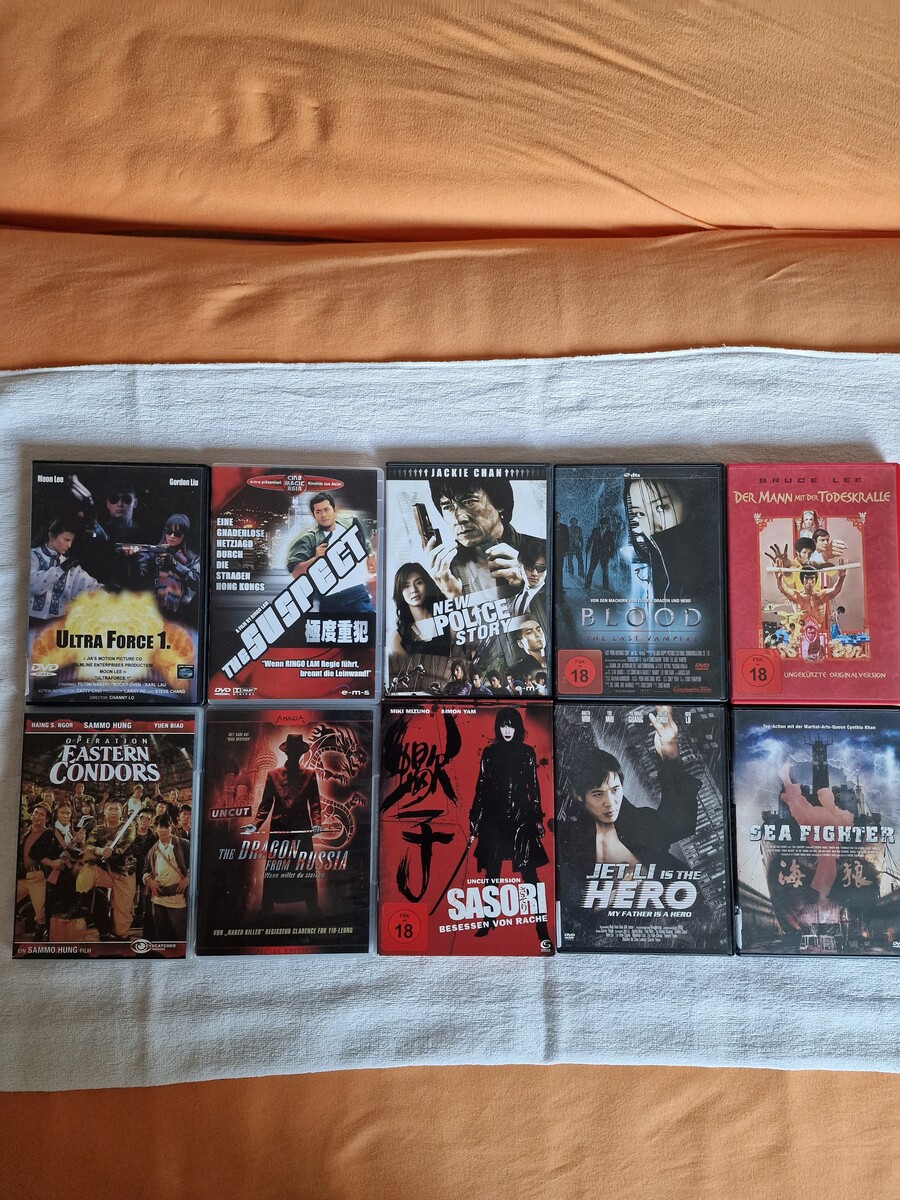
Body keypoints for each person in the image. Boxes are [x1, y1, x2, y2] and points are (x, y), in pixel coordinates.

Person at [565, 707, 699, 871]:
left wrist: (670, 756)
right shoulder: (572, 843)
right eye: (598, 794)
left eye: (615, 789)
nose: (610, 802)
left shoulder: (635, 822)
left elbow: (680, 824)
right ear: (578, 794)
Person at [469, 709, 549, 943]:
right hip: (494, 819)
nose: (506, 730)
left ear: (517, 728)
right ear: (498, 727)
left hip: (521, 818)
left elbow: (534, 788)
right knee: (491, 873)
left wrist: (537, 818)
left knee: (530, 874)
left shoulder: (527, 753)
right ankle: (488, 920)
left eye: (511, 726)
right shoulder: (490, 753)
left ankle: (541, 926)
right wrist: (475, 817)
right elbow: (481, 786)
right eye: (503, 726)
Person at [241, 733, 322, 918]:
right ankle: (267, 904)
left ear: (300, 753)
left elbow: (315, 802)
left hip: (301, 826)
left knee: (305, 864)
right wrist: (255, 824)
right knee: (275, 865)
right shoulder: (273, 775)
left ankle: (312, 904)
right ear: (287, 752)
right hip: (280, 825)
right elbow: (265, 804)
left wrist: (316, 823)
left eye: (297, 752)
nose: (294, 755)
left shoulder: (310, 775)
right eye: (291, 751)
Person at [426, 477, 544, 601]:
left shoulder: (546, 552)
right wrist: (452, 596)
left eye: (469, 502)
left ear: (500, 503)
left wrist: (528, 585)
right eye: (447, 507)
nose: (458, 519)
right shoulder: (444, 573)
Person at [287, 491, 375, 613]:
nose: (323, 515)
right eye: (318, 512)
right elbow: (295, 571)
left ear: (334, 510)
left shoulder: (349, 522)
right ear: (314, 515)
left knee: (369, 623)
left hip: (357, 593)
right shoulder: (309, 539)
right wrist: (315, 559)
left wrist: (370, 554)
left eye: (326, 510)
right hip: (330, 598)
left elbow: (362, 541)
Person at [81, 799, 137, 941]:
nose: (113, 812)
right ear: (104, 812)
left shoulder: (129, 827)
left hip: (123, 871)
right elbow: (88, 846)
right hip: (103, 869)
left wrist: (111, 852)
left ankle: (121, 936)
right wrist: (100, 851)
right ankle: (81, 908)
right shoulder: (98, 829)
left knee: (122, 914)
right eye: (110, 809)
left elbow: (124, 845)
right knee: (85, 872)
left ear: (121, 812)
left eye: (116, 809)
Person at [29, 517, 103, 620]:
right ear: (51, 535)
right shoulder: (32, 555)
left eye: (71, 541)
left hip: (57, 624)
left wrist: (111, 591)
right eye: (66, 540)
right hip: (31, 621)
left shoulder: (68, 564)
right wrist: (61, 569)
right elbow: (32, 585)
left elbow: (89, 585)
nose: (69, 545)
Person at [133, 514, 201, 615]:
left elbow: (197, 583)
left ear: (185, 536)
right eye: (169, 532)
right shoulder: (152, 553)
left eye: (177, 534)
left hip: (182, 610)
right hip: (152, 608)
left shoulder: (192, 559)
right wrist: (133, 559)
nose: (172, 536)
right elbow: (139, 579)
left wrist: (174, 563)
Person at [142, 813, 190, 941]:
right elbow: (145, 871)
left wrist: (188, 879)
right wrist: (150, 881)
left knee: (181, 934)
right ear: (155, 828)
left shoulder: (183, 844)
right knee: (162, 935)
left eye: (166, 827)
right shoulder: (153, 850)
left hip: (178, 896)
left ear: (171, 827)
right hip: (159, 897)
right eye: (160, 827)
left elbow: (196, 864)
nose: (163, 830)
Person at [15, 805, 61, 939]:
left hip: (38, 876)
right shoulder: (25, 833)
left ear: (47, 819)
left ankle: (40, 938)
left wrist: (52, 863)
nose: (37, 816)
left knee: (41, 915)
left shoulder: (49, 835)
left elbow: (54, 855)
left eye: (42, 814)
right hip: (22, 876)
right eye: (36, 813)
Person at [389, 562, 453, 657]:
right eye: (406, 586)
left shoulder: (448, 620)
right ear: (400, 593)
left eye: (419, 582)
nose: (414, 590)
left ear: (427, 584)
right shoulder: (398, 638)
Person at [508, 616, 547, 681]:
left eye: (538, 630)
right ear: (520, 643)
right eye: (529, 632)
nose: (538, 634)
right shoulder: (519, 670)